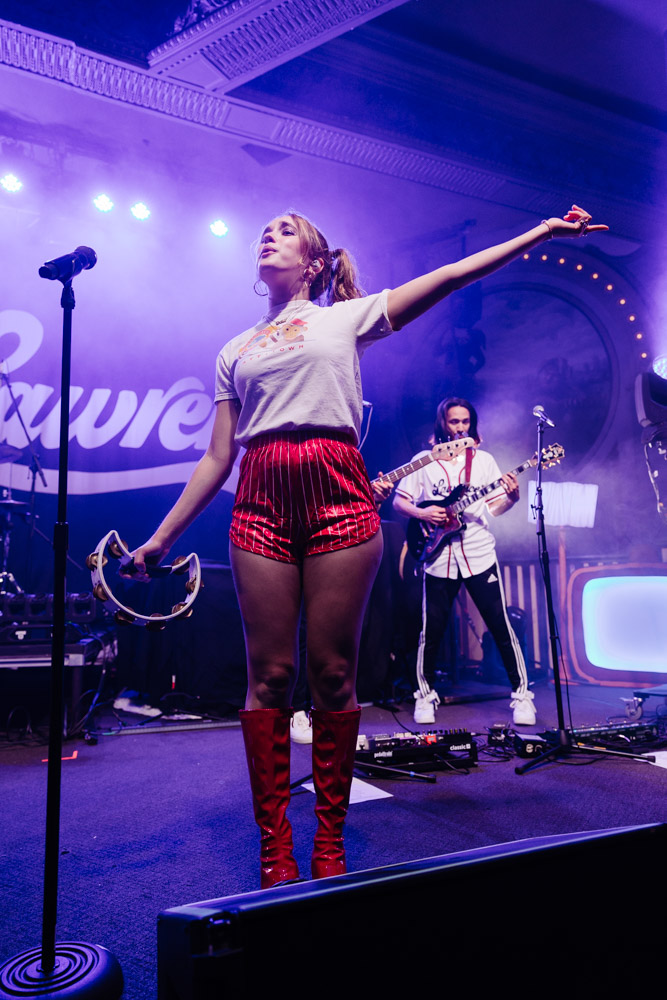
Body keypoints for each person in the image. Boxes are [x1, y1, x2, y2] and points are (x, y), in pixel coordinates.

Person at [130, 205, 606, 889]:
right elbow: (215, 458)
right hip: (260, 498)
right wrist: (160, 538)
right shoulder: (233, 350)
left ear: (317, 262)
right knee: (267, 679)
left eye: (288, 229)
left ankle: (328, 838)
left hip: (337, 495)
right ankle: (273, 848)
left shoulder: (343, 317)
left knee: (330, 676)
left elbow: (449, 276)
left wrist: (539, 233)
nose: (270, 233)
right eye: (265, 229)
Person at [393, 398, 533, 725]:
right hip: (437, 554)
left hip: (478, 551)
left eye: (465, 421)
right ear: (442, 423)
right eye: (453, 421)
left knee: (500, 625)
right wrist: (422, 512)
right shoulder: (423, 461)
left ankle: (522, 696)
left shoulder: (483, 461)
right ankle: (425, 695)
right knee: (432, 630)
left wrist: (512, 496)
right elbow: (400, 502)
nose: (459, 427)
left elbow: (495, 508)